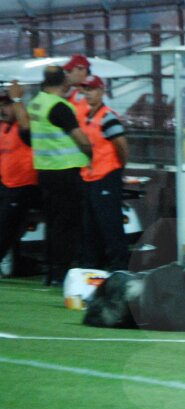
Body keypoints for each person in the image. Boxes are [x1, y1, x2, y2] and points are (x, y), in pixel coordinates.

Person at [20, 66, 91, 286]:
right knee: (67, 224)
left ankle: (50, 271)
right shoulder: (59, 106)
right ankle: (62, 272)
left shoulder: (37, 103)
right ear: (63, 81)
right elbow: (81, 139)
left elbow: (27, 135)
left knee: (52, 223)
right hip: (65, 170)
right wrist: (91, 153)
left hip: (45, 170)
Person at [76, 75, 129, 272]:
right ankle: (92, 267)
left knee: (110, 225)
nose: (87, 93)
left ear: (101, 92)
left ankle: (119, 267)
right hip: (91, 177)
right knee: (90, 226)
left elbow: (121, 146)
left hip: (106, 176)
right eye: (85, 90)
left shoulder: (108, 117)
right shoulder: (88, 116)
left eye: (91, 89)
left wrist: (117, 167)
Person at [0, 86, 37, 272]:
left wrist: (17, 100)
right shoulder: (4, 128)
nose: (2, 109)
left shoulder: (22, 129)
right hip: (6, 186)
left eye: (6, 104)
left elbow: (27, 126)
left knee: (5, 229)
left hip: (21, 187)